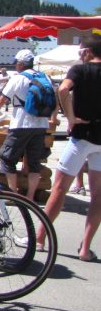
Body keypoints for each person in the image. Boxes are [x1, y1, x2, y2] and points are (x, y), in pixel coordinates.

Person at [36, 34, 101, 260]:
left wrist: (71, 117)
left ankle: (41, 238)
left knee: (60, 188)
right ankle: (85, 248)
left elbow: (63, 90)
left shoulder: (80, 70)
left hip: (81, 135)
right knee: (98, 195)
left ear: (86, 52)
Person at [0, 50, 56, 201]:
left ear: (20, 64)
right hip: (41, 124)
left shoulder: (18, 79)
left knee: (7, 158)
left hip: (21, 123)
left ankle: (12, 195)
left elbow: (1, 100)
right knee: (34, 162)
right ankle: (30, 197)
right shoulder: (45, 77)